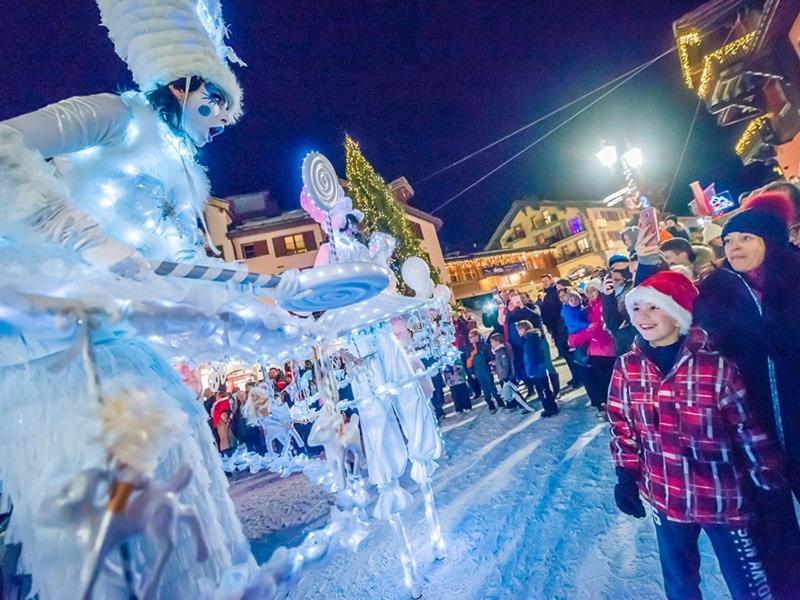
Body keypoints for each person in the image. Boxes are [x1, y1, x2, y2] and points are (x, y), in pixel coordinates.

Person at [607, 271, 782, 600]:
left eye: (654, 308)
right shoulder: (627, 367)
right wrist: (626, 474)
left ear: (677, 311)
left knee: (749, 585)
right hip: (665, 494)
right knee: (680, 584)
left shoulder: (714, 366)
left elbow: (747, 430)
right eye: (637, 309)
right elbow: (621, 423)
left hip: (719, 496)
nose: (643, 318)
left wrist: (767, 482)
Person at [692, 192, 800, 597]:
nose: (734, 247)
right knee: (776, 542)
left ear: (770, 241)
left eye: (744, 239)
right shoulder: (716, 293)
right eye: (728, 242)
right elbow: (662, 317)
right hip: (756, 441)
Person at [567, 280, 615, 416]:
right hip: (594, 350)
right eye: (587, 291)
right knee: (599, 382)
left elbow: (595, 328)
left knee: (606, 382)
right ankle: (606, 407)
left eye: (592, 290)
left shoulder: (601, 305)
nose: (589, 293)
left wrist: (574, 339)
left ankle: (611, 409)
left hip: (604, 349)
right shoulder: (589, 306)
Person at [539, 274, 580, 387]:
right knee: (566, 355)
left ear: (551, 280)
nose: (544, 283)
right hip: (556, 329)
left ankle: (578, 377)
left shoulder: (556, 294)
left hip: (562, 327)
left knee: (570, 354)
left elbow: (558, 310)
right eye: (542, 281)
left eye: (546, 280)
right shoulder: (547, 295)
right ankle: (575, 375)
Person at [516, 320, 558, 417]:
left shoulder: (529, 339)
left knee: (542, 389)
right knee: (545, 388)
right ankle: (551, 406)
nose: (518, 333)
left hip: (536, 369)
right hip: (539, 367)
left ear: (524, 329)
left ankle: (549, 408)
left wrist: (530, 371)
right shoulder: (531, 338)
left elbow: (531, 356)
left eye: (519, 330)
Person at [601, 254, 636, 356]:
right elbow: (612, 323)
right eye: (613, 269)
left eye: (624, 269)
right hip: (623, 346)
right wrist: (607, 295)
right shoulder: (609, 293)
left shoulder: (633, 288)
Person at [466, 329, 504, 413]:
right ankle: (491, 405)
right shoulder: (470, 349)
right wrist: (471, 372)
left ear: (477, 336)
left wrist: (493, 368)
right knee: (484, 389)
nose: (470, 339)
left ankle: (500, 402)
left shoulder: (485, 346)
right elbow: (469, 362)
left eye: (472, 337)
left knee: (492, 387)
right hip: (478, 371)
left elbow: (491, 357)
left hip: (486, 369)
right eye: (469, 337)